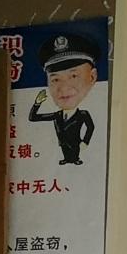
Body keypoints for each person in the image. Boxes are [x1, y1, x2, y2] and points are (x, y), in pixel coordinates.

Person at [29, 32, 99, 167]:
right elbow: (33, 118)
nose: (64, 88)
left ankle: (74, 159)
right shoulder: (57, 115)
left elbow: (90, 127)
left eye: (73, 76)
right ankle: (68, 159)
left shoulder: (83, 114)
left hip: (77, 146)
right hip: (63, 147)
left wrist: (85, 141)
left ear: (92, 77)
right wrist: (37, 103)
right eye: (55, 79)